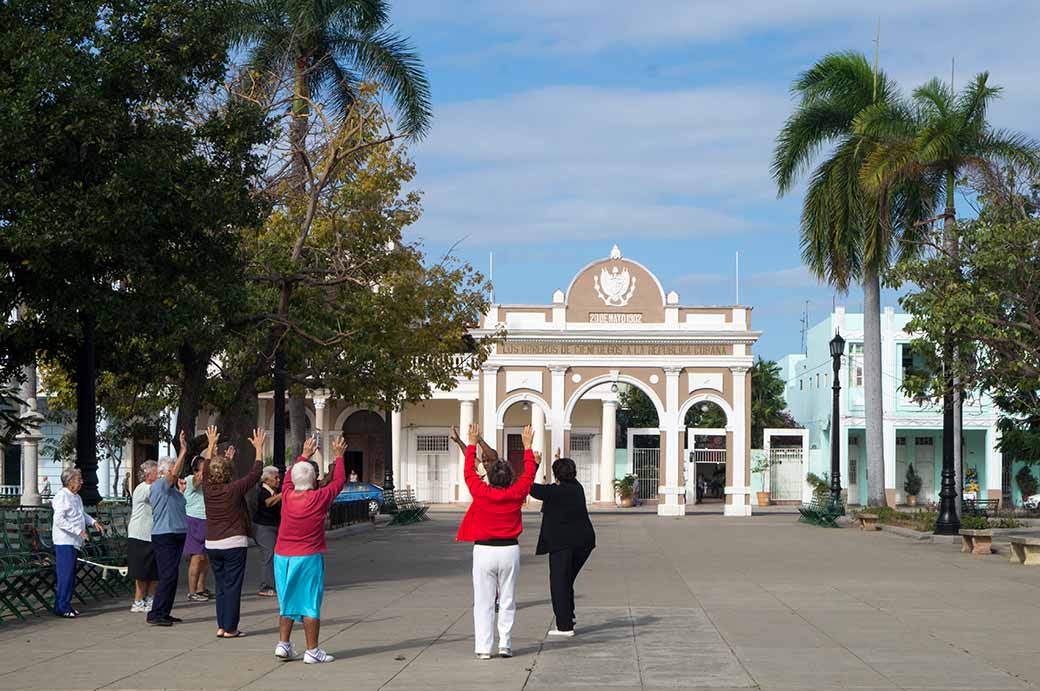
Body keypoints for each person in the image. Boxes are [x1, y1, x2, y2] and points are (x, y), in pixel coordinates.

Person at [456, 424, 538, 660]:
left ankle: (483, 647)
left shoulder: (481, 492)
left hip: (484, 551)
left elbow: (468, 473)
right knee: (508, 598)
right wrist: (528, 447)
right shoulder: (517, 493)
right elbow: (529, 473)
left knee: (483, 601)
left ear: (490, 477)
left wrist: (471, 443)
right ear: (510, 477)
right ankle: (505, 643)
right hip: (509, 550)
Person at [272, 434, 347, 664]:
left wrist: (304, 454)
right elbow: (338, 483)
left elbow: (287, 478)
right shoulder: (318, 498)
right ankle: (312, 650)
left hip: (282, 555)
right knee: (309, 602)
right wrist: (339, 457)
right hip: (307, 556)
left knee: (287, 601)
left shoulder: (286, 495)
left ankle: (284, 644)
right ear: (314, 481)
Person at [201, 426, 264, 638]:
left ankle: (221, 625)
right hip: (234, 542)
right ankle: (230, 628)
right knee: (233, 586)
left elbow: (206, 467)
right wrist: (258, 448)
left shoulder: (207, 489)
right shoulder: (234, 489)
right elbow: (255, 473)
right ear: (229, 473)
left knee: (220, 585)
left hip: (212, 542)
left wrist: (210, 445)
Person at [529, 454, 596, 637]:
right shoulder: (577, 488)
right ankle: (569, 617)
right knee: (567, 580)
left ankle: (565, 626)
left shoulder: (553, 491)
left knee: (559, 583)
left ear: (556, 475)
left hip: (562, 544)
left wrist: (534, 465)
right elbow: (562, 483)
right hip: (584, 542)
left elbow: (527, 487)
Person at [51, 467, 108, 617]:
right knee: (65, 575)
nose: (81, 482)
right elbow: (59, 520)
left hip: (74, 542)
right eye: (78, 480)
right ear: (69, 482)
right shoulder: (61, 496)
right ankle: (62, 607)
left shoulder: (76, 497)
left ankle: (64, 605)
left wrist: (93, 522)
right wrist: (78, 531)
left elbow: (81, 514)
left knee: (69, 575)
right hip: (65, 541)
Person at [148, 432, 189, 627]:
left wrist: (180, 493)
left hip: (177, 534)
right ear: (165, 472)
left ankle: (165, 611)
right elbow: (173, 475)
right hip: (165, 535)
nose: (177, 472)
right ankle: (155, 613)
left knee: (173, 576)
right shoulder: (159, 485)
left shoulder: (172, 490)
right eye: (173, 469)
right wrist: (183, 451)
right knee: (167, 575)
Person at [128, 460, 160, 613]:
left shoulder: (155, 487)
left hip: (153, 534)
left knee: (154, 570)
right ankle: (138, 600)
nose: (159, 475)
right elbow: (159, 495)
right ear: (148, 475)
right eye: (157, 472)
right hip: (139, 534)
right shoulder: (144, 489)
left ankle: (151, 598)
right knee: (141, 571)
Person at [182, 455, 210, 602]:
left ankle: (201, 588)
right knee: (197, 556)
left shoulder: (208, 480)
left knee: (205, 558)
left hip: (207, 520)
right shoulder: (189, 480)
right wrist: (211, 448)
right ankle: (192, 591)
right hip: (194, 520)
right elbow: (198, 480)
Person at [254, 464, 282, 597]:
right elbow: (267, 502)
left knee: (276, 555)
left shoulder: (274, 491)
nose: (278, 480)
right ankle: (266, 586)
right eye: (275, 478)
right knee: (268, 555)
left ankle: (275, 583)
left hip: (275, 526)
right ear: (266, 479)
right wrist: (282, 494)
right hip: (264, 527)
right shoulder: (261, 491)